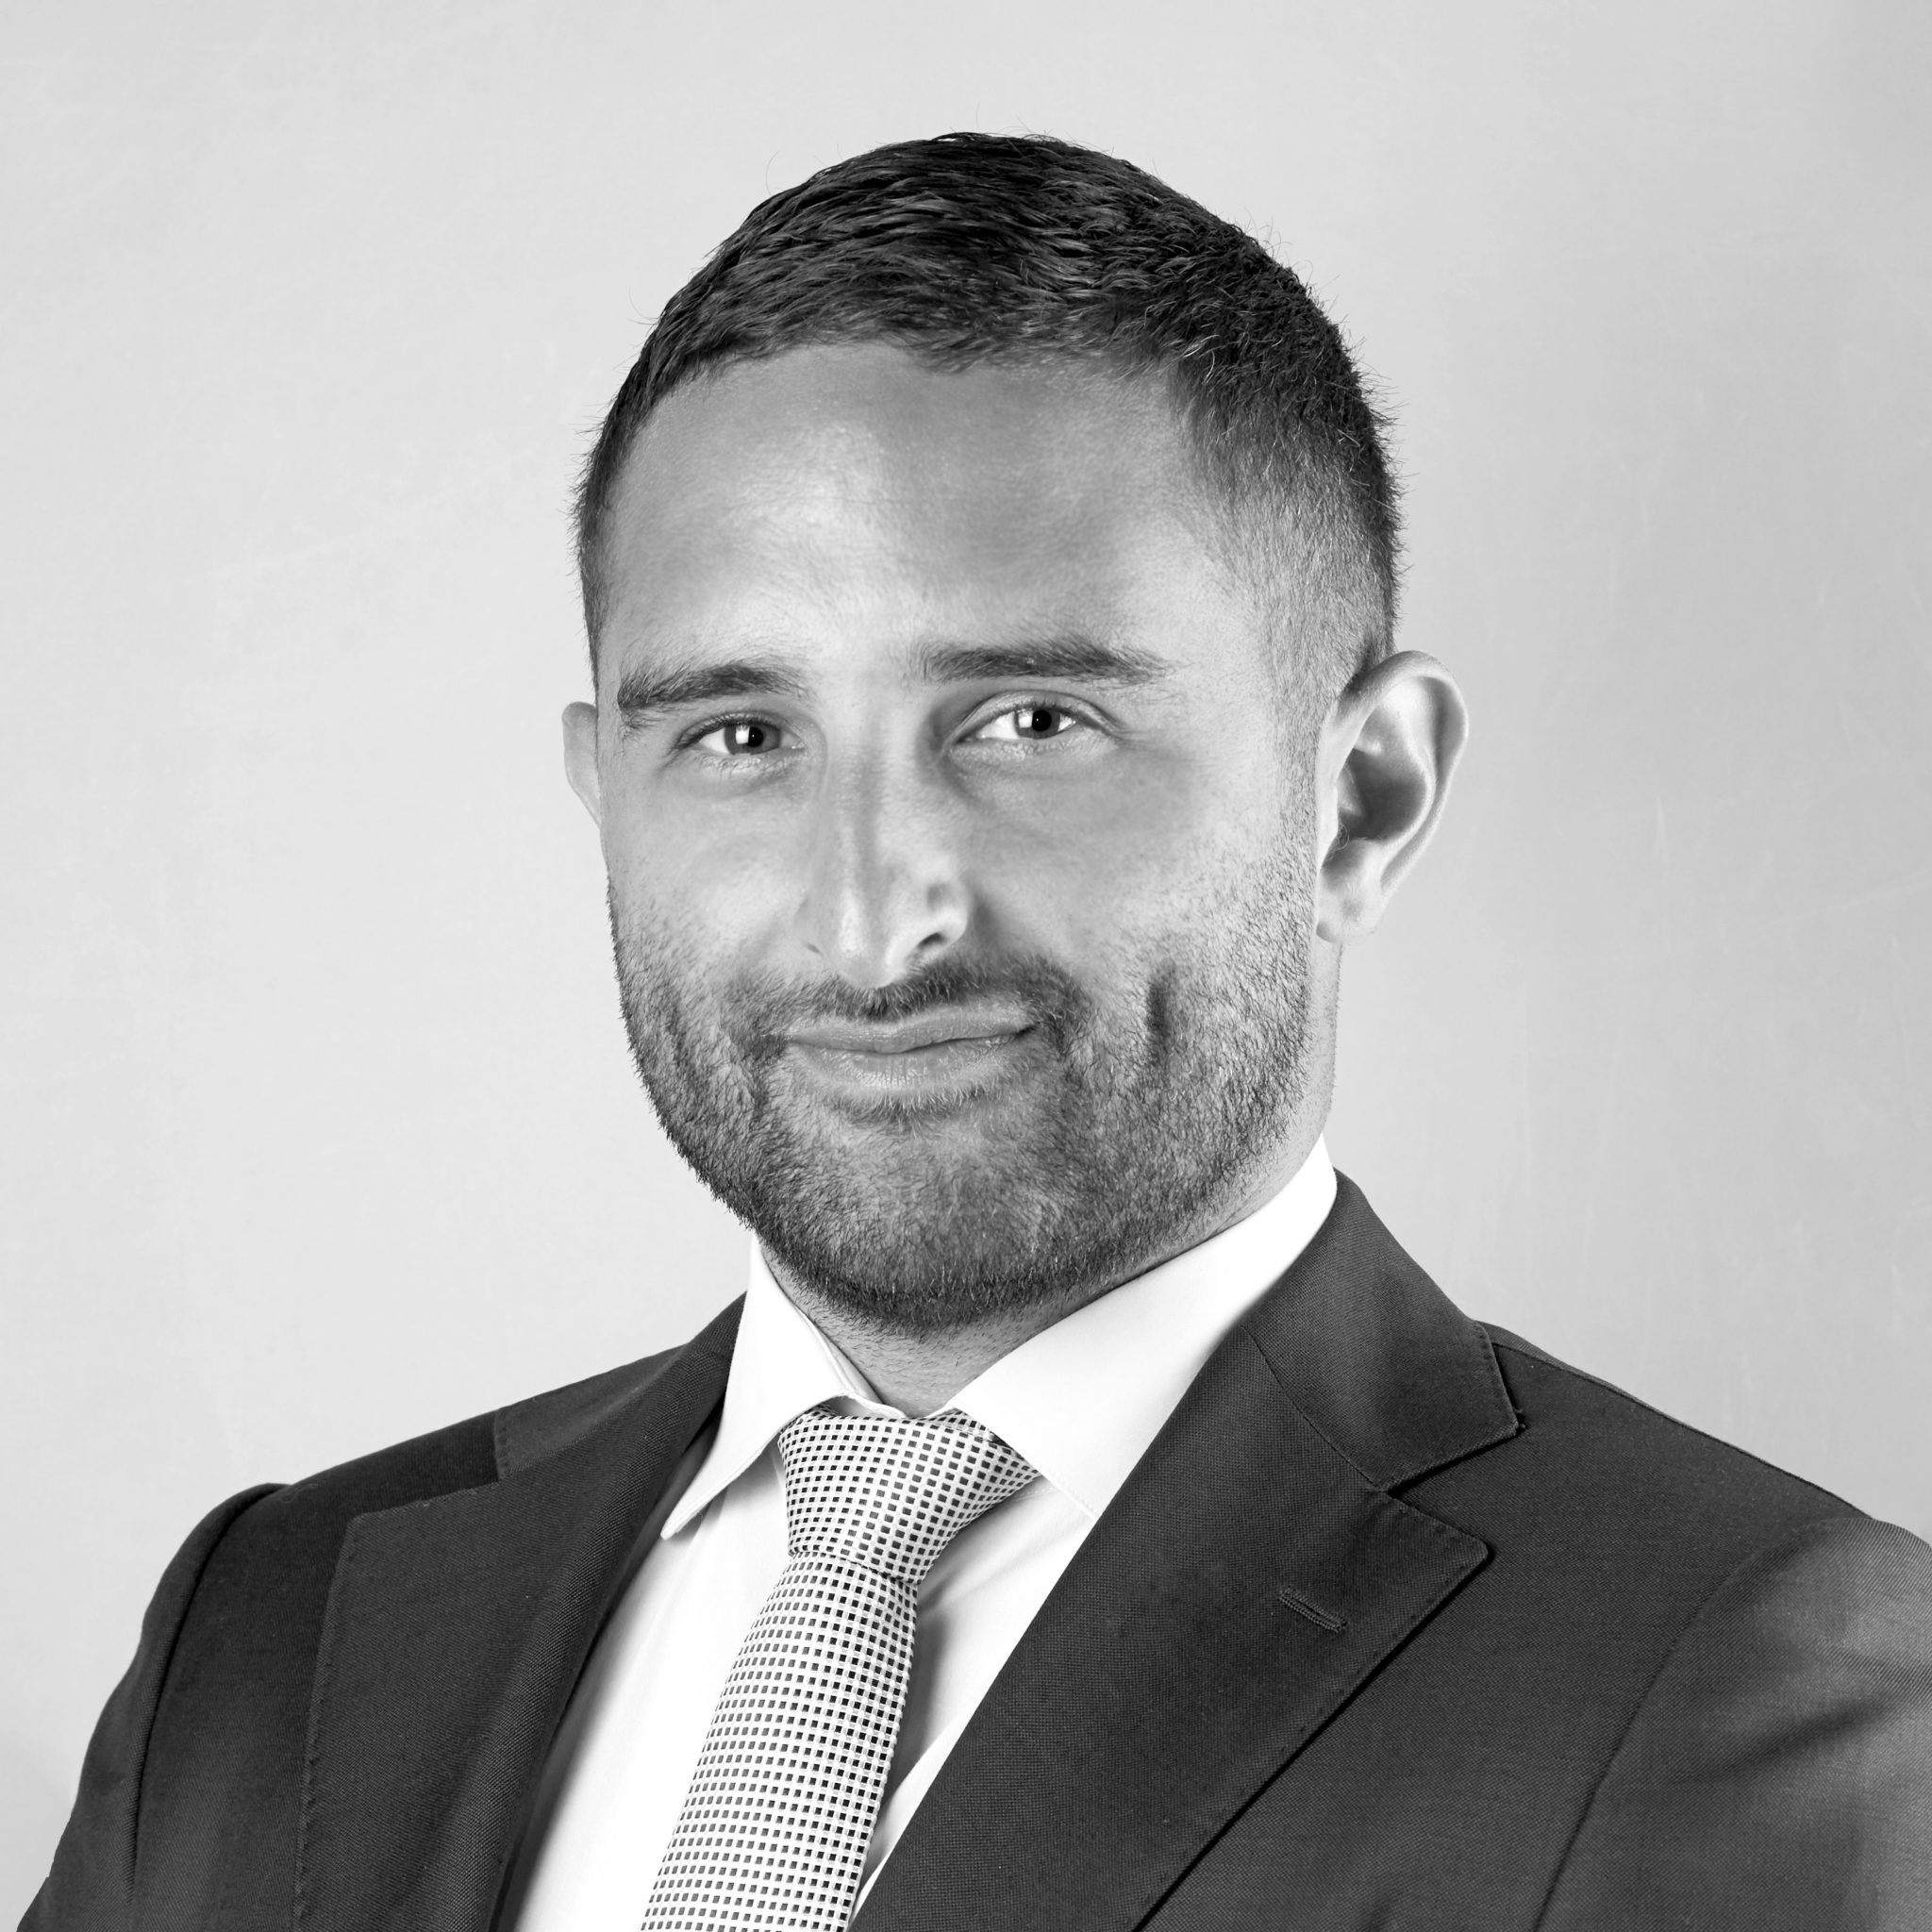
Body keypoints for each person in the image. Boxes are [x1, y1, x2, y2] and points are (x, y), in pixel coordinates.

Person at [26, 131, 1932, 1932]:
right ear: (603, 789)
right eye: (738, 736)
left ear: (1360, 795)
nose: (873, 913)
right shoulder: (271, 1627)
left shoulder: (1742, 1679)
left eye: (1031, 722)